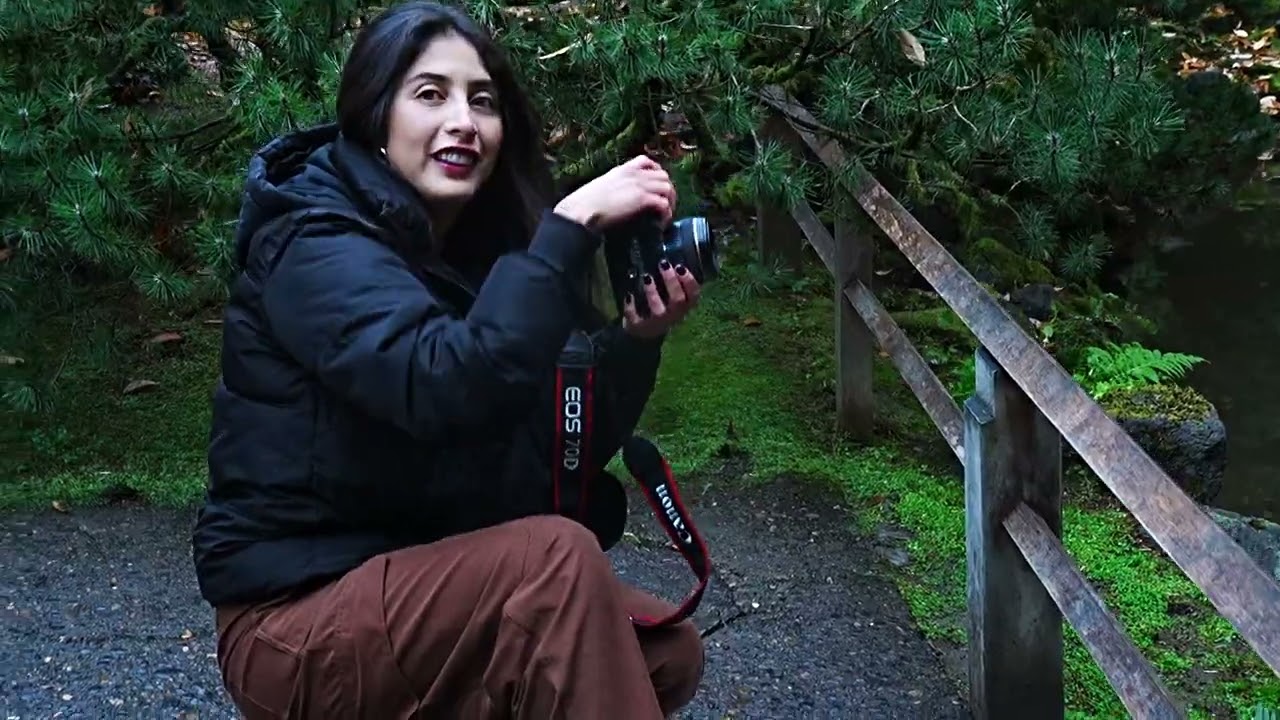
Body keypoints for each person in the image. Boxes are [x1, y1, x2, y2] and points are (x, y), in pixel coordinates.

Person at [190, 2, 707, 718]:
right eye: (430, 94)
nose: (463, 119)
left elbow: (548, 446)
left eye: (483, 100)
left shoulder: (470, 251)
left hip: (411, 580)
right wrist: (567, 229)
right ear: (375, 117)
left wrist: (637, 343)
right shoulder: (313, 240)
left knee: (664, 651)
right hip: (294, 621)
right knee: (553, 566)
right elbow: (443, 384)